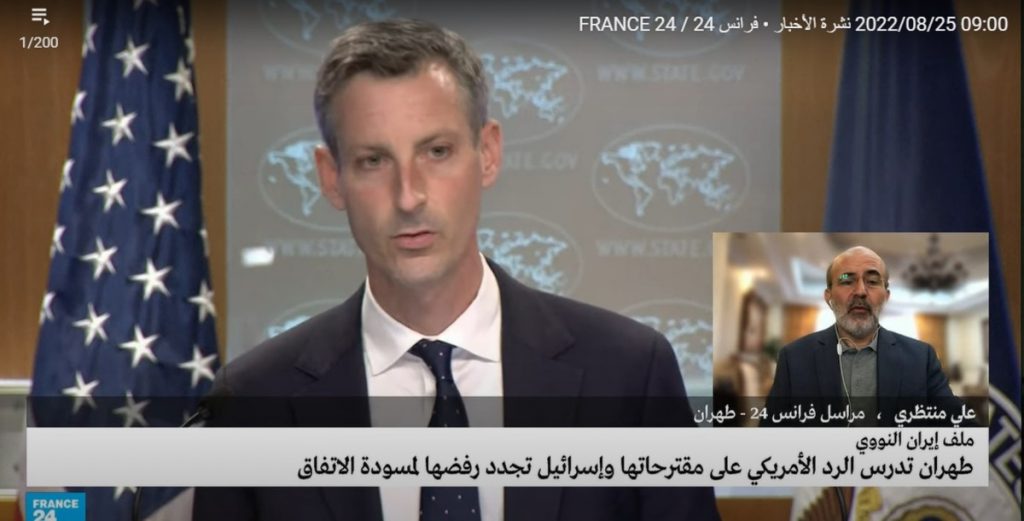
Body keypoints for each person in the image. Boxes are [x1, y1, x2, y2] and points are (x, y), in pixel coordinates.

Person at [193, 19, 719, 521]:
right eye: (374, 160)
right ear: (331, 179)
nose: (409, 197)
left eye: (437, 151)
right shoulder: (252, 401)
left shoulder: (629, 374)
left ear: (487, 153)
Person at [763, 246, 962, 427]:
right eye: (846, 281)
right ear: (828, 296)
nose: (860, 291)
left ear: (886, 296)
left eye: (873, 282)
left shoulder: (922, 358)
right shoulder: (793, 358)